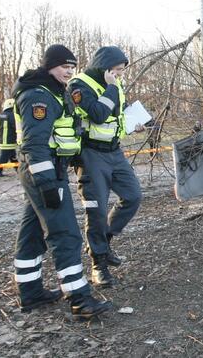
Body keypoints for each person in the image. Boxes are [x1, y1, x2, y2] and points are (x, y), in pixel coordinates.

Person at [12, 44, 112, 319]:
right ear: (48, 66)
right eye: (63, 66)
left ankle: (30, 293)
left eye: (71, 66)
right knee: (65, 233)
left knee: (32, 233)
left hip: (48, 169)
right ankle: (80, 300)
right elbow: (34, 144)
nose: (69, 70)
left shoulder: (53, 92)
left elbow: (63, 134)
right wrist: (46, 183)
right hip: (43, 172)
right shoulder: (38, 97)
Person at [69, 46, 144, 287]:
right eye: (118, 70)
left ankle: (106, 240)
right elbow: (98, 114)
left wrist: (133, 124)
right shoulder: (79, 85)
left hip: (114, 151)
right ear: (105, 67)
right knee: (96, 210)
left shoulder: (116, 84)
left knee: (132, 196)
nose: (120, 75)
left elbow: (115, 117)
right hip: (90, 155)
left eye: (122, 72)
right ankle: (98, 264)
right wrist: (111, 87)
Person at [0, 98, 18, 176]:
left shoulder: (0, 115)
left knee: (12, 156)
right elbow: (16, 127)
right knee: (4, 158)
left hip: (2, 141)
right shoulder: (13, 116)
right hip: (10, 141)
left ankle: (19, 171)